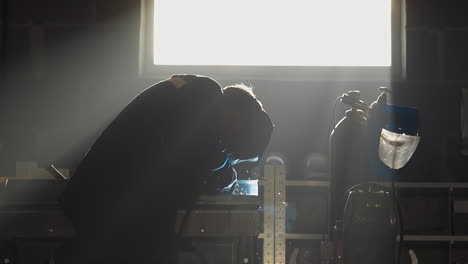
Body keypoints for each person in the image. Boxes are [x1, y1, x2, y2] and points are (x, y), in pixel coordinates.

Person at [57, 74, 273, 264]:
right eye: (232, 144)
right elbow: (203, 155)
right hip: (107, 204)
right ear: (244, 116)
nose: (226, 144)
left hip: (112, 204)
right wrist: (228, 176)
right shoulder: (205, 92)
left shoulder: (193, 103)